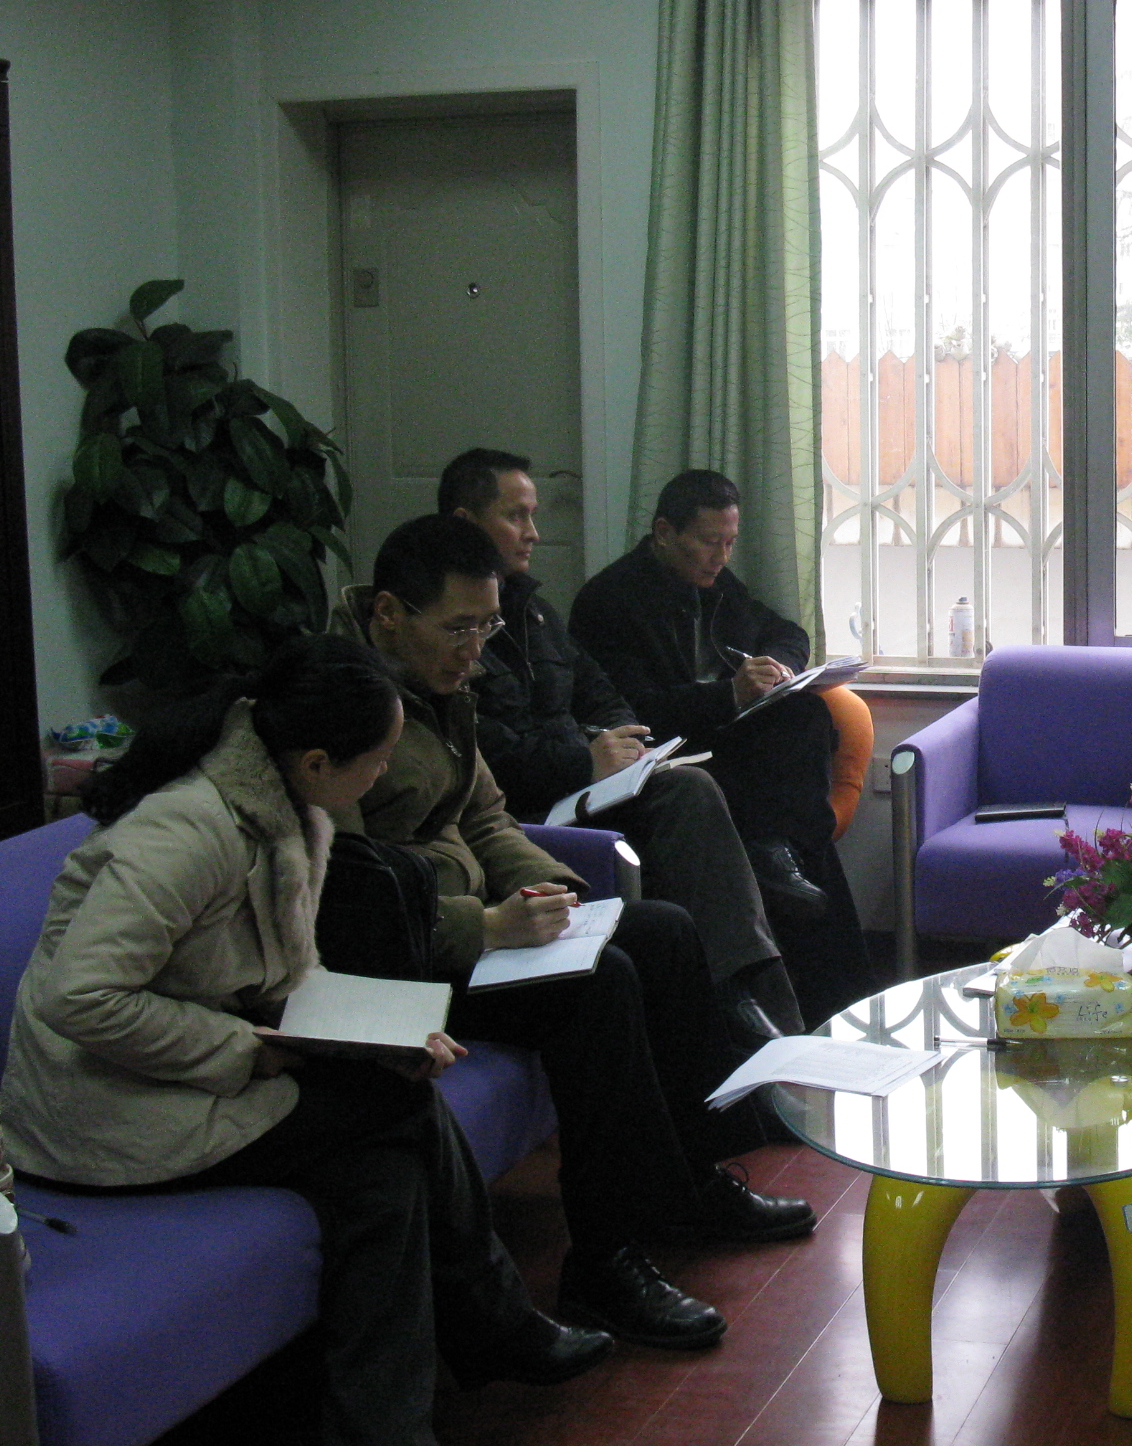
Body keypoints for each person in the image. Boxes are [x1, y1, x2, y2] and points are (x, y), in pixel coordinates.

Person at [0, 635, 611, 1446]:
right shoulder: (185, 833)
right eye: (378, 760)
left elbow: (287, 970)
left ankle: (414, 1400)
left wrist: (379, 1032)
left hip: (173, 1070)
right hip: (98, 1106)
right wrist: (249, 1049)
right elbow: (82, 1000)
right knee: (392, 1115)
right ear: (319, 761)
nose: (383, 777)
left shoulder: (289, 807)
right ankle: (485, 1333)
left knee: (383, 1165)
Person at [332, 514, 816, 1353]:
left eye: (487, 629)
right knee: (602, 982)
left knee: (663, 932)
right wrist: (485, 925)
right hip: (405, 962)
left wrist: (551, 884)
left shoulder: (441, 692)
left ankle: (694, 1182)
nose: (475, 652)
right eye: (458, 629)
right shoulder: (339, 713)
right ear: (387, 614)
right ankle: (604, 1259)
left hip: (481, 927)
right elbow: (346, 899)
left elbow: (486, 818)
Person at [438, 447, 805, 1037]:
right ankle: (748, 1003)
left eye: (533, 516)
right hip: (540, 803)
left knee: (764, 741)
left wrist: (620, 741)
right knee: (693, 792)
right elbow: (490, 751)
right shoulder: (451, 633)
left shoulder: (534, 612)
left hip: (590, 782)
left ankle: (761, 993)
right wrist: (583, 760)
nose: (534, 533)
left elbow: (602, 692)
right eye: (516, 516)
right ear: (464, 524)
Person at [570, 469, 872, 1024]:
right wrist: (726, 695)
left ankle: (784, 865)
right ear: (664, 532)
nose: (721, 557)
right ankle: (824, 991)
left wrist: (779, 667)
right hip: (666, 754)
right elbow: (635, 711)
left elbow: (788, 632)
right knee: (795, 833)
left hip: (724, 738)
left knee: (804, 714)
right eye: (710, 541)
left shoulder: (717, 586)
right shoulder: (609, 602)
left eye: (730, 542)